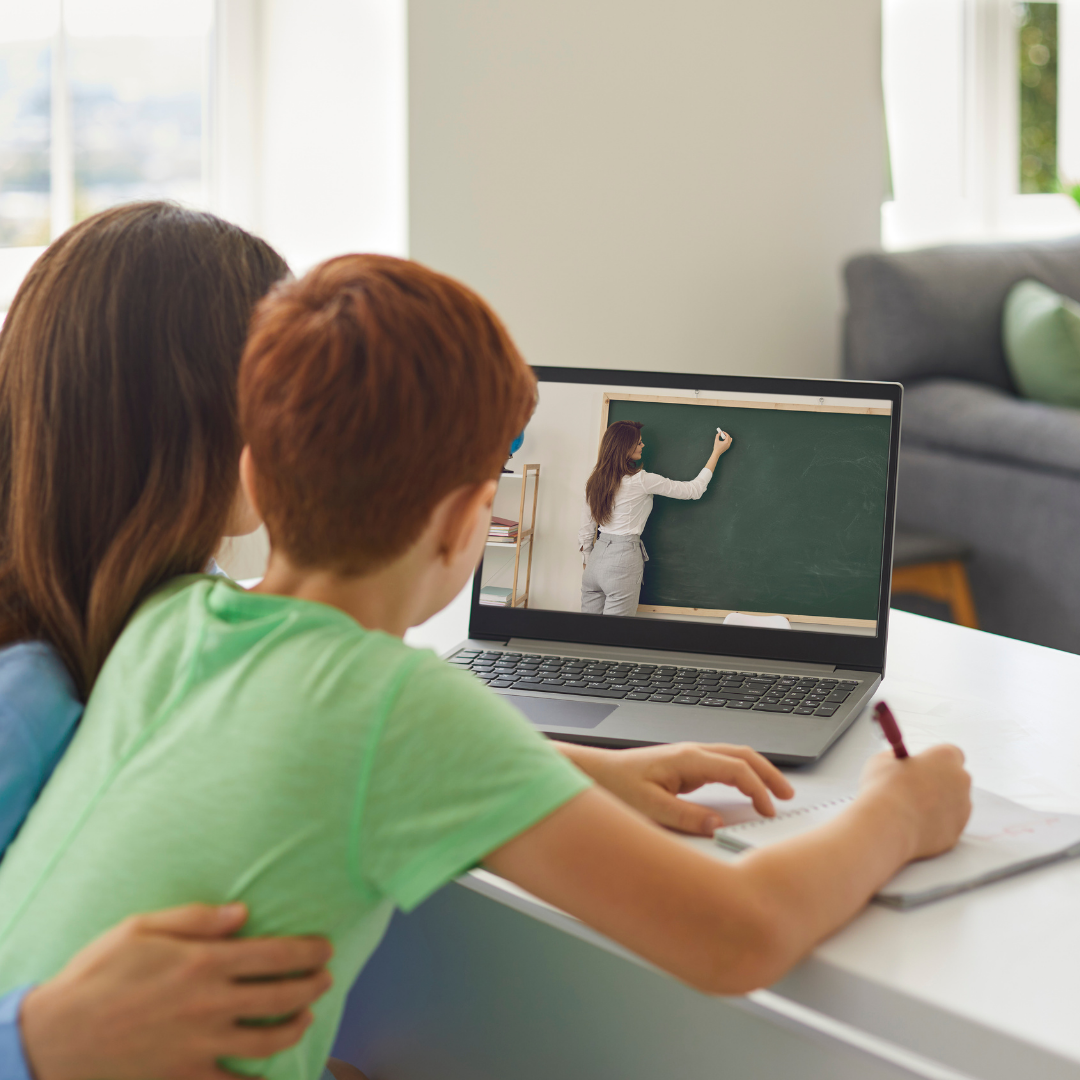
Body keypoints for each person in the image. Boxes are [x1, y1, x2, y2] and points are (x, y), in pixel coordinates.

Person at [0, 255, 970, 1080]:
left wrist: (584, 769)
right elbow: (736, 937)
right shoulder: (397, 705)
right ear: (471, 521)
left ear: (252, 476)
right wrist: (898, 813)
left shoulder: (170, 618)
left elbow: (302, 755)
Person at [578, 420, 732, 616]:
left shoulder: (594, 481)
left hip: (595, 561)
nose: (643, 445)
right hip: (622, 560)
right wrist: (716, 453)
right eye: (638, 442)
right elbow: (694, 490)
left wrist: (588, 561)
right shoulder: (641, 480)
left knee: (587, 634)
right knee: (614, 637)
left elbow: (586, 529)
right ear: (625, 448)